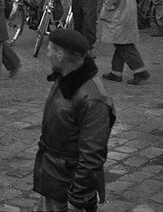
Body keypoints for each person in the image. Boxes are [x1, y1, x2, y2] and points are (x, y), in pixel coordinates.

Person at [33, 28, 116, 212]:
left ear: (60, 55)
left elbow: (92, 155)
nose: (46, 54)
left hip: (67, 187)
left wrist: (78, 199)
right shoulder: (65, 78)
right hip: (53, 179)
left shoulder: (94, 99)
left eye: (49, 49)